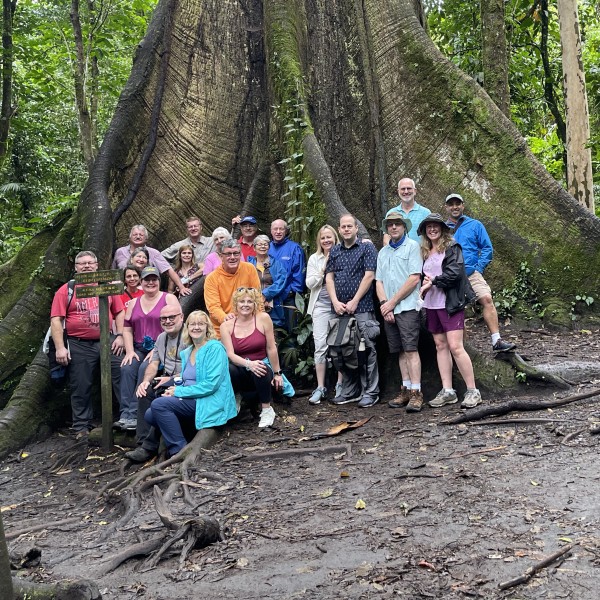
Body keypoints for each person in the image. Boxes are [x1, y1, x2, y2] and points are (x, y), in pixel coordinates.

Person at [50, 251, 125, 434]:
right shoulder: (67, 290)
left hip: (107, 340)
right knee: (80, 384)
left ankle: (126, 417)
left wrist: (121, 335)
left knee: (121, 372)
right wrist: (60, 348)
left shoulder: (107, 286)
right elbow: (56, 319)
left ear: (97, 265)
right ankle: (82, 426)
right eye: (82, 263)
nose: (86, 266)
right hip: (78, 343)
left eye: (90, 263)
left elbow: (120, 311)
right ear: (76, 267)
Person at [145, 311, 237, 457]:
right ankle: (184, 434)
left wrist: (179, 392)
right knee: (150, 414)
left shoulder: (215, 348)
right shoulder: (188, 351)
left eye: (201, 324)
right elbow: (186, 379)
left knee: (158, 405)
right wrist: (174, 390)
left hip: (209, 400)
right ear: (187, 328)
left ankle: (179, 450)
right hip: (191, 397)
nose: (196, 327)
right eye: (192, 324)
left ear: (208, 327)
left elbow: (211, 385)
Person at [418, 213, 482, 409]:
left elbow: (454, 273)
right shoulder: (425, 250)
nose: (432, 229)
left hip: (450, 303)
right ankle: (448, 391)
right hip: (431, 304)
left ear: (443, 228)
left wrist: (433, 282)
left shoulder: (452, 247)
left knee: (455, 346)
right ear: (425, 231)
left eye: (436, 226)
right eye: (428, 227)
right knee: (440, 345)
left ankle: (473, 391)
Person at [445, 193, 516, 353]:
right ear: (446, 207)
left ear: (463, 205)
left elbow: (487, 248)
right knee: (456, 308)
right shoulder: (442, 229)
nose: (455, 207)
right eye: (451, 204)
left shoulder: (475, 225)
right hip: (452, 276)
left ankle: (496, 340)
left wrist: (479, 267)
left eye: (458, 203)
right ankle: (463, 347)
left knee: (486, 298)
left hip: (471, 272)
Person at [116, 266, 180, 431]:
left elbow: (177, 324)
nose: (150, 283)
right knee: (127, 367)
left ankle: (135, 414)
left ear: (159, 281)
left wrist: (157, 349)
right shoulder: (134, 302)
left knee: (145, 368)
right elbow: (127, 328)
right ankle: (125, 414)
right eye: (147, 280)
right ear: (141, 282)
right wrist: (129, 351)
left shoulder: (168, 298)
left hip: (161, 347)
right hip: (138, 347)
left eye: (154, 279)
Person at [325, 214, 380, 407]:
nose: (346, 229)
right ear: (339, 230)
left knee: (365, 351)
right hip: (339, 310)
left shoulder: (366, 248)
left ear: (356, 228)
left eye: (350, 226)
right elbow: (329, 277)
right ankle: (350, 390)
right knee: (342, 350)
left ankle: (370, 392)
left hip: (362, 308)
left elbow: (369, 275)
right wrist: (335, 301)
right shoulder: (335, 251)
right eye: (343, 226)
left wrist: (355, 300)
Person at [125, 304, 189, 462]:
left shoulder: (190, 335)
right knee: (145, 391)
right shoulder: (161, 338)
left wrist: (174, 378)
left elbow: (197, 368)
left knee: (161, 401)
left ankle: (150, 446)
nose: (167, 321)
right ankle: (142, 443)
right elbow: (153, 363)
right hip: (164, 379)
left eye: (171, 317)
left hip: (185, 380)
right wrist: (145, 381)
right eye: (164, 319)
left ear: (181, 317)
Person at [375, 212, 425, 412]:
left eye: (397, 224)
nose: (394, 227)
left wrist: (392, 303)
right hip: (389, 309)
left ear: (404, 227)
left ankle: (416, 392)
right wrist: (384, 304)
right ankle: (405, 389)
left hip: (408, 307)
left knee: (411, 349)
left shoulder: (413, 247)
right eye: (390, 225)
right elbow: (378, 281)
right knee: (400, 351)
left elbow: (414, 279)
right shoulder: (383, 253)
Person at [220, 288, 283, 428]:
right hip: (240, 367)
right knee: (229, 369)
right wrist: (249, 364)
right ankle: (236, 397)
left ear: (255, 304)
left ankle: (267, 409)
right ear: (236, 304)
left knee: (260, 367)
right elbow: (230, 354)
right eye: (242, 301)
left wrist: (278, 373)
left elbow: (271, 347)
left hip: (262, 366)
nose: (245, 305)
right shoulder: (226, 326)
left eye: (250, 301)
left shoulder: (263, 319)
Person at [306, 225, 343, 405]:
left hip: (339, 306)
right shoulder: (315, 258)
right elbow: (310, 283)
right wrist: (324, 268)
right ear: (319, 241)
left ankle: (341, 384)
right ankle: (320, 387)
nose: (326, 240)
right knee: (320, 345)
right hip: (320, 306)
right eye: (323, 238)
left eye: (329, 237)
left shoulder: (343, 253)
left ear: (335, 238)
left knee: (340, 345)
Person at [112, 224, 191, 296]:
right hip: (122, 293)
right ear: (130, 237)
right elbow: (113, 272)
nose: (138, 237)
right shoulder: (120, 252)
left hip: (146, 293)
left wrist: (181, 287)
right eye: (135, 234)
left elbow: (169, 270)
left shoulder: (154, 253)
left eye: (141, 235)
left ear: (146, 238)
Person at [204, 239, 261, 337]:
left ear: (240, 255)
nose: (232, 257)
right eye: (228, 254)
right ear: (221, 256)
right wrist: (225, 318)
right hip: (222, 329)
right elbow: (213, 307)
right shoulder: (212, 278)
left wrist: (260, 323)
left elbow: (258, 299)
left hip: (249, 325)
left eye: (236, 253)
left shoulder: (249, 269)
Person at [268, 219, 306, 331]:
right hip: (270, 298)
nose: (278, 231)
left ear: (286, 231)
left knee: (291, 330)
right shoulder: (266, 248)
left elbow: (299, 273)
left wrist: (291, 291)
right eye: (275, 229)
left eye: (281, 229)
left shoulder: (294, 248)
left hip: (288, 297)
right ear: (271, 231)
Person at [247, 234, 287, 328]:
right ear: (254, 247)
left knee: (274, 329)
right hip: (253, 302)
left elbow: (281, 281)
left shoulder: (276, 264)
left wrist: (266, 295)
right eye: (259, 244)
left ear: (269, 247)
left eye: (265, 244)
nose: (262, 246)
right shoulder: (249, 264)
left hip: (273, 302)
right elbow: (245, 282)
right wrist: (258, 298)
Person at [384, 178, 431, 244]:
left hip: (420, 253)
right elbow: (386, 238)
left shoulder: (426, 213)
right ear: (398, 191)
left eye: (409, 188)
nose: (406, 192)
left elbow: (431, 237)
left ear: (415, 191)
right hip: (397, 254)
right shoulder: (391, 213)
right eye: (403, 189)